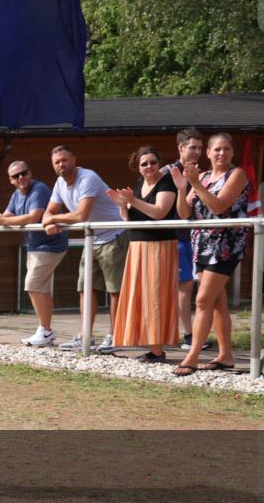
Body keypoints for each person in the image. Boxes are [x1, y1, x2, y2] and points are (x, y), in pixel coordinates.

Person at [171, 132, 250, 376]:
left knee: (202, 300)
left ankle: (192, 356)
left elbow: (219, 206)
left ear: (233, 152)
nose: (221, 153)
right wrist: (183, 188)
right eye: (216, 149)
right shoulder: (202, 175)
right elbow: (184, 213)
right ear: (208, 153)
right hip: (202, 243)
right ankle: (226, 356)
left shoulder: (236, 174)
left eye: (226, 149)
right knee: (217, 303)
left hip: (226, 243)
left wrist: (194, 184)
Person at [42, 145, 127, 353]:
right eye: (57, 162)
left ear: (74, 160)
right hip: (91, 238)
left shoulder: (88, 178)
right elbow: (47, 212)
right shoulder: (59, 183)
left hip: (113, 235)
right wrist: (49, 221)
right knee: (85, 287)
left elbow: (81, 215)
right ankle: (85, 336)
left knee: (114, 290)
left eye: (64, 160)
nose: (61, 165)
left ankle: (115, 336)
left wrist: (54, 219)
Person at [108, 146, 180, 363]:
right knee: (140, 296)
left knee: (155, 297)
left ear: (159, 162)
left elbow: (159, 212)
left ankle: (158, 350)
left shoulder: (166, 182)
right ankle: (150, 346)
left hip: (159, 246)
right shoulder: (140, 184)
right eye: (144, 164)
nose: (149, 167)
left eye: (152, 162)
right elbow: (131, 219)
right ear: (137, 168)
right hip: (138, 246)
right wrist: (123, 206)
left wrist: (133, 200)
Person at [0, 160, 68, 347]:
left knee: (32, 285)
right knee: (41, 289)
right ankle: (46, 331)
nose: (21, 178)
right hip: (34, 246)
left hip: (50, 244)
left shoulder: (39, 189)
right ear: (11, 180)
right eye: (16, 176)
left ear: (30, 173)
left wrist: (3, 222)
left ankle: (45, 331)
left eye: (24, 173)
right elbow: (8, 215)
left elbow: (33, 217)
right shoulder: (17, 194)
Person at [163, 128, 209, 350]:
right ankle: (188, 335)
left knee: (190, 287)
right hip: (174, 237)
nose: (196, 152)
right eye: (192, 147)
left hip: (195, 237)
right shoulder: (168, 172)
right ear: (181, 147)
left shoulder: (202, 173)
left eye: (200, 148)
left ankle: (190, 334)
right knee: (184, 286)